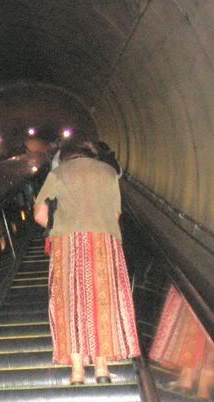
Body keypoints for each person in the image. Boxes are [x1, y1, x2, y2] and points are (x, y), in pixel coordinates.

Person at [33, 139, 140, 385]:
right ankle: (102, 369)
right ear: (92, 154)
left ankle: (77, 372)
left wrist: (56, 228)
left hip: (67, 245)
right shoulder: (109, 173)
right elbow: (115, 214)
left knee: (70, 303)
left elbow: (40, 214)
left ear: (66, 157)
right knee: (102, 300)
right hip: (104, 243)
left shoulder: (57, 174)